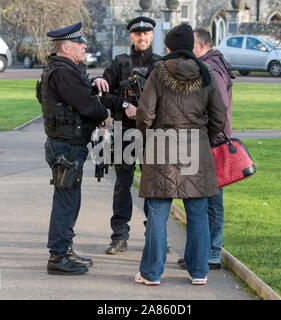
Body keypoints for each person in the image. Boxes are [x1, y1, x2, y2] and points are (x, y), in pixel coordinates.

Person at [135, 24, 226, 285]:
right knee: (197, 213)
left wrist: (148, 136)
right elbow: (218, 116)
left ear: (170, 47)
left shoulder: (158, 72)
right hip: (195, 147)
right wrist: (203, 138)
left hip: (162, 146)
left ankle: (152, 273)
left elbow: (145, 113)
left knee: (158, 214)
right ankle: (199, 271)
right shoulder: (206, 73)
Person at [37, 22, 110, 275]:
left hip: (67, 144)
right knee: (66, 201)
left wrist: (94, 83)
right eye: (80, 43)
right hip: (66, 146)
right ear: (66, 47)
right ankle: (58, 257)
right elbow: (86, 105)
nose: (85, 46)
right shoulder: (63, 72)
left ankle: (64, 249)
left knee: (69, 199)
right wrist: (103, 113)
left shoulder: (66, 69)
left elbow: (78, 93)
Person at [101, 17, 161, 254]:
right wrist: (125, 104)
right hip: (123, 130)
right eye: (138, 34)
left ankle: (155, 236)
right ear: (131, 37)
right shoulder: (118, 63)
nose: (142, 38)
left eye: (146, 34)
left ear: (152, 36)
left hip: (152, 133)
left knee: (153, 185)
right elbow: (103, 94)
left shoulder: (161, 64)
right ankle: (119, 236)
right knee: (122, 183)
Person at [177, 29, 235, 271]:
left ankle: (211, 254)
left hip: (213, 143)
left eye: (191, 49)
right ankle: (200, 252)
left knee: (212, 202)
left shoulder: (212, 70)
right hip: (209, 141)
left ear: (200, 46)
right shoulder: (212, 65)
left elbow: (217, 112)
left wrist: (207, 137)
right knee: (204, 201)